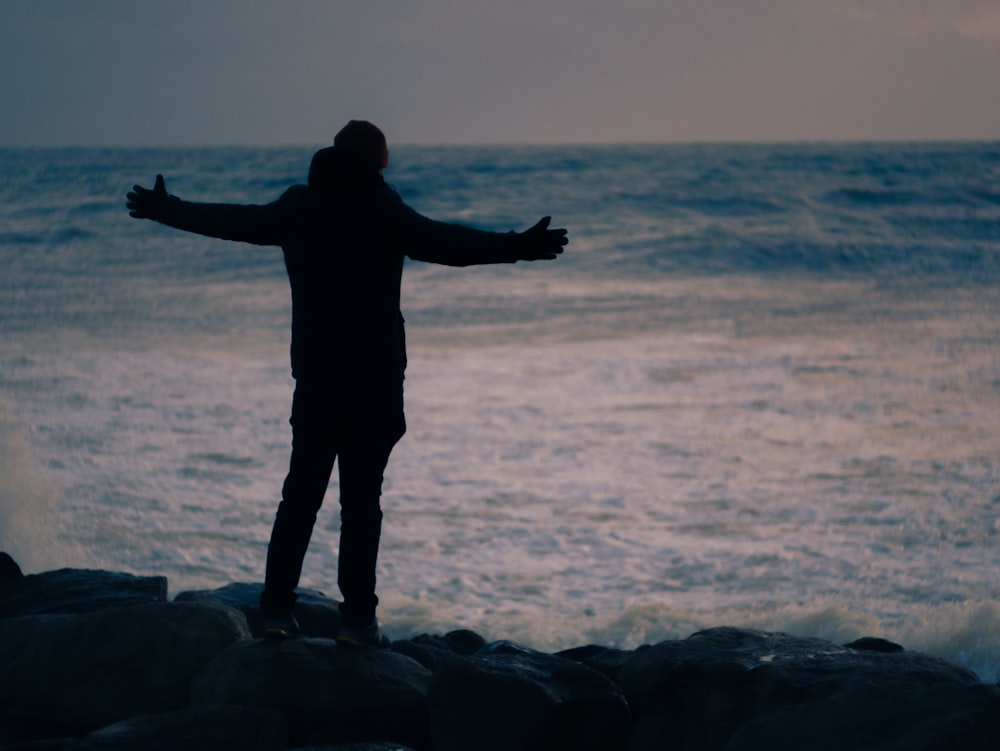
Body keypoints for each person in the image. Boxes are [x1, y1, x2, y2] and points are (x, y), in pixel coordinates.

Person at [126, 120, 568, 646]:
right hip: (375, 380)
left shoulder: (300, 206)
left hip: (316, 376)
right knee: (361, 505)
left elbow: (235, 221)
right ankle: (357, 621)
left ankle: (274, 612)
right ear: (373, 165)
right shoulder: (382, 209)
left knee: (300, 498)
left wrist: (167, 209)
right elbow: (446, 242)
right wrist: (517, 246)